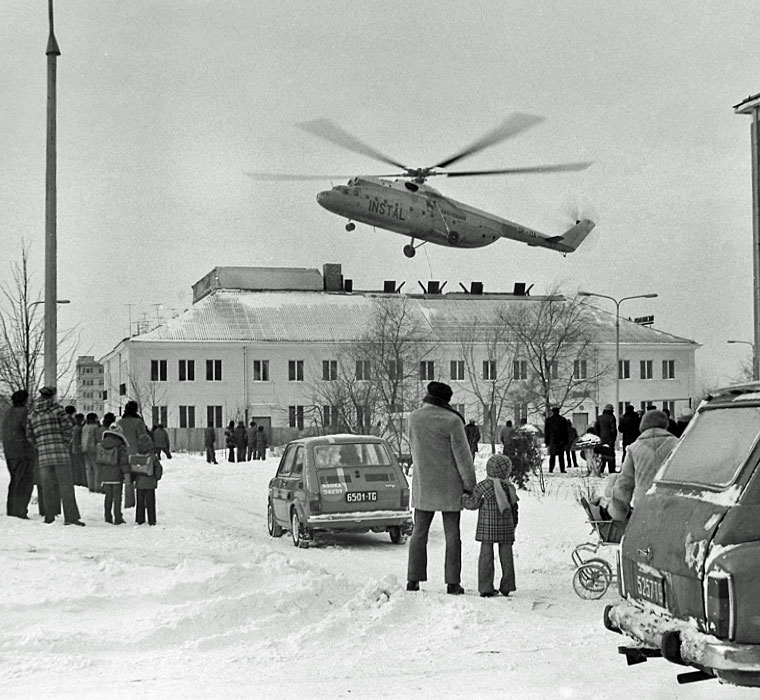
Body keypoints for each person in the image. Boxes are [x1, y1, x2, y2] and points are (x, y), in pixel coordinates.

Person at [406, 381, 476, 596]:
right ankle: (453, 582)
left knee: (419, 533)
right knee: (452, 536)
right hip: (449, 486)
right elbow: (463, 458)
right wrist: (470, 486)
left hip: (423, 484)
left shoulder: (414, 418)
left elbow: (413, 449)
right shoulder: (452, 421)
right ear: (447, 400)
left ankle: (413, 579)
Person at [26, 386, 85, 526]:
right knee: (66, 486)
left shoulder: (32, 413)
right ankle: (70, 517)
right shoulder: (57, 410)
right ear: (52, 396)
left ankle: (49, 516)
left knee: (47, 487)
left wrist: (40, 445)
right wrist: (64, 443)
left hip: (44, 456)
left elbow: (29, 435)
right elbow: (68, 429)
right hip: (60, 454)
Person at [463, 454, 519, 597]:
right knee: (506, 555)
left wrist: (464, 498)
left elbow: (473, 504)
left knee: (486, 555)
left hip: (487, 526)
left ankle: (485, 587)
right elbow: (514, 506)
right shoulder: (508, 488)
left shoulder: (483, 486)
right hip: (506, 527)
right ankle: (507, 585)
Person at [608, 409, 679, 521]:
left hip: (643, 508)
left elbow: (625, 483)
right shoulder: (677, 445)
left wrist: (618, 511)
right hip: (673, 507)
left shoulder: (634, 448)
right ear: (665, 425)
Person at [2, 389, 35, 519]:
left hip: (10, 452)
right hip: (24, 452)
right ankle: (20, 511)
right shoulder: (25, 413)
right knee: (24, 482)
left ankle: (12, 509)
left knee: (15, 480)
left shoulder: (8, 413)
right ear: (25, 400)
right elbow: (30, 432)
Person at [96, 423, 129, 524]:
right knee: (117, 496)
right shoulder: (120, 446)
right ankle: (118, 517)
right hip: (117, 475)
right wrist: (126, 474)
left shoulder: (101, 444)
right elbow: (123, 462)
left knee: (108, 496)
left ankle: (107, 516)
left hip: (105, 475)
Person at [131, 433, 163, 526]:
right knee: (150, 502)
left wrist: (133, 479)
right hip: (150, 483)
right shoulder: (153, 457)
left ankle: (140, 519)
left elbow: (133, 470)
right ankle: (151, 519)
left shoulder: (136, 457)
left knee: (140, 502)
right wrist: (156, 478)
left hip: (139, 483)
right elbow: (158, 469)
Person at [594, 404, 618, 474]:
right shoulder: (612, 418)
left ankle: (601, 469)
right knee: (611, 455)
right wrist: (613, 438)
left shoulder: (599, 418)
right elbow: (613, 430)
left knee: (602, 454)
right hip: (609, 440)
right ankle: (611, 470)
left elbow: (596, 429)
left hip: (601, 439)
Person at [544, 406, 568, 474]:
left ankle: (551, 469)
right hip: (561, 441)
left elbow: (547, 432)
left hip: (552, 441)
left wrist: (546, 441)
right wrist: (566, 441)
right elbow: (566, 432)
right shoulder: (563, 420)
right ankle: (562, 469)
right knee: (561, 456)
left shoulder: (549, 420)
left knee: (552, 456)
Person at [81, 412, 101, 492]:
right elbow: (98, 439)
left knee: (89, 469)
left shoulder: (85, 427)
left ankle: (90, 486)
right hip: (93, 449)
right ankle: (97, 486)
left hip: (85, 449)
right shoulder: (95, 427)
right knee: (97, 469)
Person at [71, 413, 87, 487]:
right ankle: (83, 481)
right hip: (79, 449)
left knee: (76, 466)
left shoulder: (74, 428)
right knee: (82, 466)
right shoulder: (80, 428)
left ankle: (77, 480)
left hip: (74, 449)